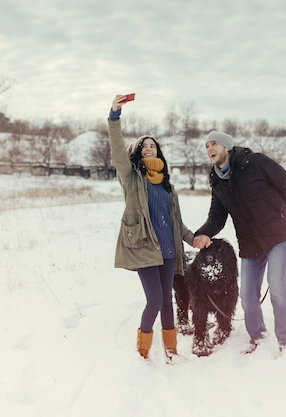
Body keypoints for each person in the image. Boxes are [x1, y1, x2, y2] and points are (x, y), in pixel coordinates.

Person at [107, 94, 195, 362]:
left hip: (168, 249)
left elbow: (176, 223)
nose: (148, 147)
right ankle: (143, 349)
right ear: (137, 151)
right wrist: (114, 115)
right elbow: (116, 147)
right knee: (155, 301)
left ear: (158, 152)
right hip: (144, 246)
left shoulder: (167, 186)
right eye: (143, 145)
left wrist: (194, 238)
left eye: (152, 145)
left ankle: (171, 348)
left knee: (167, 301)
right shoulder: (131, 178)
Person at [193, 131, 286, 352]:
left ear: (227, 147)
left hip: (277, 235)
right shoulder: (217, 181)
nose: (209, 149)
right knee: (247, 295)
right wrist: (203, 233)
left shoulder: (255, 162)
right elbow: (217, 216)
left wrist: (279, 214)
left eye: (214, 144)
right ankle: (257, 337)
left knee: (277, 286)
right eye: (206, 146)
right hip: (250, 243)